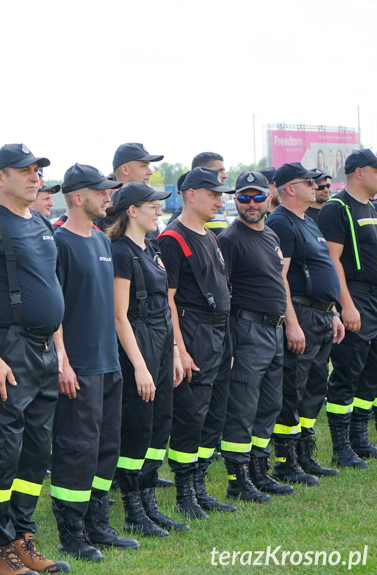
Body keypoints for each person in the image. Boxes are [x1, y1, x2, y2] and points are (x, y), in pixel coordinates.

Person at [0, 143, 69, 575]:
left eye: (37, 170)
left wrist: (59, 352)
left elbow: (51, 292)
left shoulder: (41, 222)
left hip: (42, 352)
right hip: (8, 351)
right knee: (1, 452)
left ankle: (22, 538)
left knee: (34, 454)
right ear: (0, 177)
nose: (35, 177)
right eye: (25, 170)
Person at [49, 163, 138, 562]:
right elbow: (54, 312)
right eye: (101, 192)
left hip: (108, 364)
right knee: (75, 450)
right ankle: (72, 531)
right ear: (77, 197)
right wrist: (62, 362)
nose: (109, 198)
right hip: (79, 367)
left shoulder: (102, 242)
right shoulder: (59, 242)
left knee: (105, 446)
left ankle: (98, 521)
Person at [107, 181, 189, 536]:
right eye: (152, 205)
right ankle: (133, 510)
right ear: (132, 211)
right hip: (137, 341)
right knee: (138, 427)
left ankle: (150, 502)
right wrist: (140, 365)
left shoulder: (151, 245)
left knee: (160, 424)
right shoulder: (121, 252)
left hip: (161, 340)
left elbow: (163, 306)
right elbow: (119, 315)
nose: (159, 210)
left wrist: (172, 351)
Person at [157, 167, 234, 519]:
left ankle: (200, 486)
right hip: (194, 333)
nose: (219, 200)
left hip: (219, 333)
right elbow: (167, 299)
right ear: (190, 194)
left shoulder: (211, 236)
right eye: (213, 194)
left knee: (214, 415)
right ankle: (185, 493)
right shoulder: (173, 238)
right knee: (191, 416)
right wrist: (181, 350)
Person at [266, 162, 345, 481]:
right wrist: (292, 323)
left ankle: (304, 453)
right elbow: (280, 278)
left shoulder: (308, 220)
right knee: (293, 388)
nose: (316, 186)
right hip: (302, 313)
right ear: (290, 188)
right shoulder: (282, 223)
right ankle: (286, 461)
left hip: (323, 314)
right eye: (308, 182)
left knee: (315, 386)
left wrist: (335, 312)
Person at [217, 171, 291, 502]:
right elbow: (223, 291)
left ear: (268, 198)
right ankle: (237, 478)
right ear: (235, 200)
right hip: (247, 330)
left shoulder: (271, 235)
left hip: (273, 331)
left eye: (257, 197)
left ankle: (259, 471)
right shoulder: (231, 239)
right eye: (243, 197)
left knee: (269, 404)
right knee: (243, 407)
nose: (250, 203)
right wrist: (230, 340)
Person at [319, 149, 377, 464]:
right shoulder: (336, 207)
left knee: (371, 372)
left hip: (374, 296)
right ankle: (341, 448)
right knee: (348, 371)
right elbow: (332, 260)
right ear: (359, 172)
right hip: (355, 296)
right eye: (376, 170)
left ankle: (359, 439)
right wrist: (347, 305)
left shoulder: (371, 207)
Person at [95, 143, 163, 233]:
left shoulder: (145, 207)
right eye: (144, 165)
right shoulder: (109, 213)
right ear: (125, 170)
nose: (150, 172)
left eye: (148, 165)